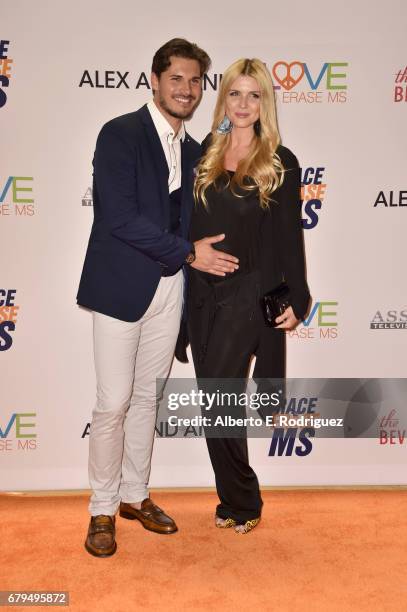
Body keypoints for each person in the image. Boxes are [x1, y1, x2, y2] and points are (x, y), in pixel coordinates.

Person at [77, 38, 239, 557]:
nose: (187, 89)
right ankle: (102, 509)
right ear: (154, 80)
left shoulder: (196, 152)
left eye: (195, 81)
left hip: (172, 289)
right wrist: (188, 253)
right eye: (177, 79)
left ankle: (134, 495)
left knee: (148, 399)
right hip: (121, 288)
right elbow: (118, 218)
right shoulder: (119, 134)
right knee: (113, 402)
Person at [187, 58, 310, 534]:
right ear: (223, 101)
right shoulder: (204, 155)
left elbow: (287, 237)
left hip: (245, 292)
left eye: (253, 95)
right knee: (212, 401)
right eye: (235, 94)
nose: (242, 104)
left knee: (219, 397)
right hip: (200, 294)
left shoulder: (280, 161)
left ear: (265, 104)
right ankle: (234, 498)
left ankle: (244, 498)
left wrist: (296, 297)